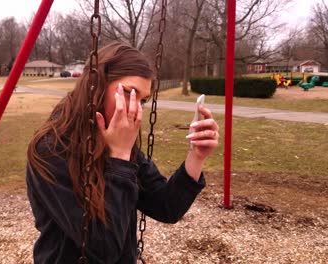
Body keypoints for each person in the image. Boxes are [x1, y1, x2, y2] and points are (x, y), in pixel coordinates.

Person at [26, 42, 219, 263]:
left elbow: (167, 207)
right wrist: (118, 158)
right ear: (96, 86)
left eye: (143, 100)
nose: (136, 108)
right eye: (129, 93)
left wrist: (196, 156)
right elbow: (103, 250)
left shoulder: (119, 142)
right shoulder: (51, 149)